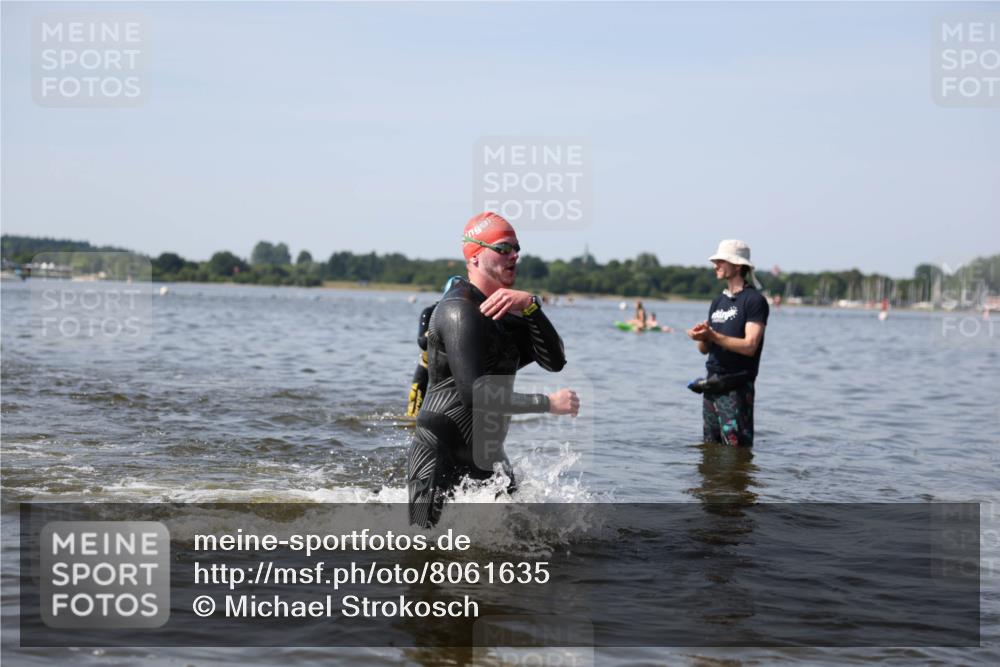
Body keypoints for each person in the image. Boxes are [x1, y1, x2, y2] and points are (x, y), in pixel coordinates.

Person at [406, 212, 579, 527]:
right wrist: (548, 404)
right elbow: (475, 394)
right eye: (503, 248)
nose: (514, 255)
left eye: (516, 248)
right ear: (474, 255)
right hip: (440, 453)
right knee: (422, 551)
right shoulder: (458, 311)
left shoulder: (507, 313)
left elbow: (554, 361)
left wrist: (530, 306)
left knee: (520, 543)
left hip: (489, 456)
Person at [686, 240, 769, 448]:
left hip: (737, 388)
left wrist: (712, 336)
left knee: (736, 450)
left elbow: (750, 346)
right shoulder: (717, 302)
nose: (716, 265)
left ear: (738, 266)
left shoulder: (754, 301)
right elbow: (705, 350)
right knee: (709, 449)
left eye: (721, 261)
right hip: (712, 384)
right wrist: (703, 337)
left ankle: (737, 481)